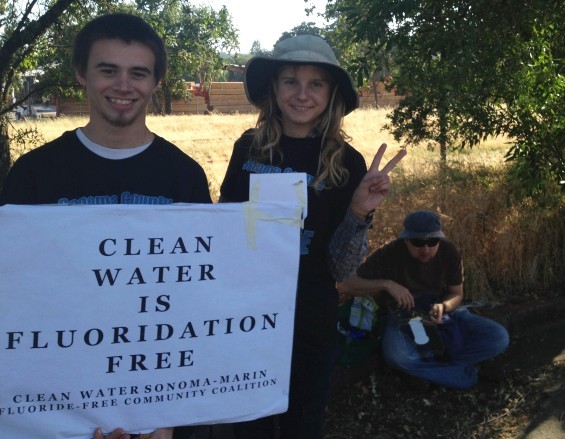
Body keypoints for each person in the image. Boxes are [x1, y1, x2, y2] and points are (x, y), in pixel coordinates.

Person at [0, 12, 211, 439]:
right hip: (57, 406)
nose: (123, 85)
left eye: (138, 73)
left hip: (156, 407)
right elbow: (15, 295)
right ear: (81, 73)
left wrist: (165, 419)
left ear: (154, 82)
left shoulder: (184, 176)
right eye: (108, 70)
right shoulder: (34, 174)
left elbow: (197, 299)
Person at [208, 35, 406, 439]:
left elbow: (342, 268)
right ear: (273, 89)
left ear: (331, 93)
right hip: (248, 319)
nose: (302, 94)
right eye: (290, 81)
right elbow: (225, 233)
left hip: (311, 318)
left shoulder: (346, 162)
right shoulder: (248, 149)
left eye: (315, 83)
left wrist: (359, 210)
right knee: (250, 425)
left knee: (304, 422)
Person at [338, 210, 510, 389]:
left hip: (438, 311)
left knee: (498, 337)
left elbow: (456, 293)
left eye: (432, 242)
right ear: (406, 240)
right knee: (397, 357)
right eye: (418, 242)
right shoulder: (389, 254)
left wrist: (443, 306)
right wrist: (387, 284)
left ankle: (432, 371)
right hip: (400, 316)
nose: (425, 249)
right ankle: (463, 373)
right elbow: (345, 285)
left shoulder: (449, 252)